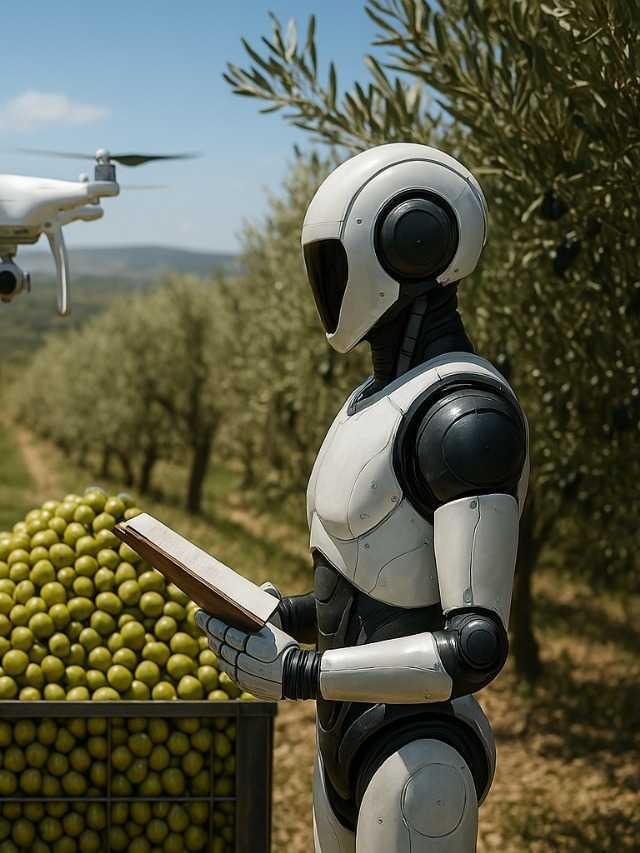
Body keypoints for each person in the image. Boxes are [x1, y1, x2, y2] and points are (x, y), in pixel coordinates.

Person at [197, 143, 528, 853]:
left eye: (331, 262)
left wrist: (298, 671)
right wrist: (281, 613)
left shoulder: (463, 417)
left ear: (409, 241)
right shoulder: (369, 402)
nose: (327, 284)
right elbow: (379, 586)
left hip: (419, 753)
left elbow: (471, 645)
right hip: (344, 738)